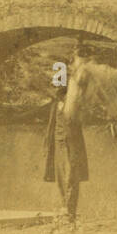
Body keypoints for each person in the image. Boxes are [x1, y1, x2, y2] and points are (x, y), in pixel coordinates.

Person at [43, 86, 89, 225]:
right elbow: (51, 126)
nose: (63, 97)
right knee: (60, 177)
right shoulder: (55, 107)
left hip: (72, 146)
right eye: (61, 95)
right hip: (59, 144)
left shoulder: (74, 108)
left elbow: (78, 126)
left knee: (71, 176)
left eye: (65, 95)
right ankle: (65, 208)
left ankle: (70, 211)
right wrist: (47, 146)